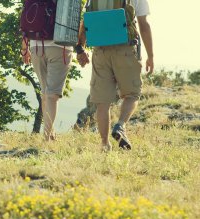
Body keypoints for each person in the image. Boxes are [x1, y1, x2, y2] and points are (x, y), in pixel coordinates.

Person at [76, 0, 154, 151]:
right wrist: (150, 56)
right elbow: (144, 25)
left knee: (102, 102)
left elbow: (86, 23)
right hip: (125, 49)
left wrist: (80, 48)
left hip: (100, 51)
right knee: (132, 94)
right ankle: (120, 126)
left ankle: (105, 144)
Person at [21, 0, 73, 141]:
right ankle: (46, 137)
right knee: (52, 95)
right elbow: (74, 15)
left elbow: (27, 16)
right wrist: (80, 47)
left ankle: (50, 132)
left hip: (35, 46)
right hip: (60, 47)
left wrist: (25, 46)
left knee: (45, 92)